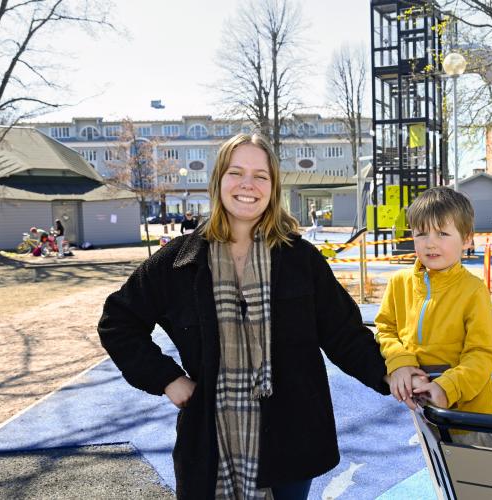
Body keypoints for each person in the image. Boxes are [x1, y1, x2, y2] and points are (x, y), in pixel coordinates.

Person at [98, 133, 390, 499]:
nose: (247, 185)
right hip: (210, 441)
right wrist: (168, 379)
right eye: (236, 172)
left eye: (260, 175)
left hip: (293, 438)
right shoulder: (178, 261)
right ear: (219, 180)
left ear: (273, 187)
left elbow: (344, 335)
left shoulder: (300, 260)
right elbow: (118, 321)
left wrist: (394, 374)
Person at [374, 186, 492, 449]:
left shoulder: (473, 291)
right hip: (428, 412)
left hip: (476, 416)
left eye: (442, 233)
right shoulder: (399, 283)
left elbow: (482, 354)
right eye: (421, 233)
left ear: (467, 239)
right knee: (450, 482)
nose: (430, 242)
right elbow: (385, 329)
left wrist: (448, 387)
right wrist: (400, 362)